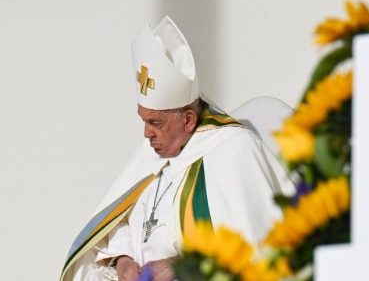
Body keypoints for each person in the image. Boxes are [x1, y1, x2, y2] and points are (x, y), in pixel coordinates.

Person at [60, 16, 283, 281]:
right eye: (144, 120)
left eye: (156, 123)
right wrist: (123, 261)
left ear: (188, 120)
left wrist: (180, 264)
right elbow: (120, 224)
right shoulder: (151, 155)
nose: (147, 133)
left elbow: (252, 247)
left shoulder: (234, 150)